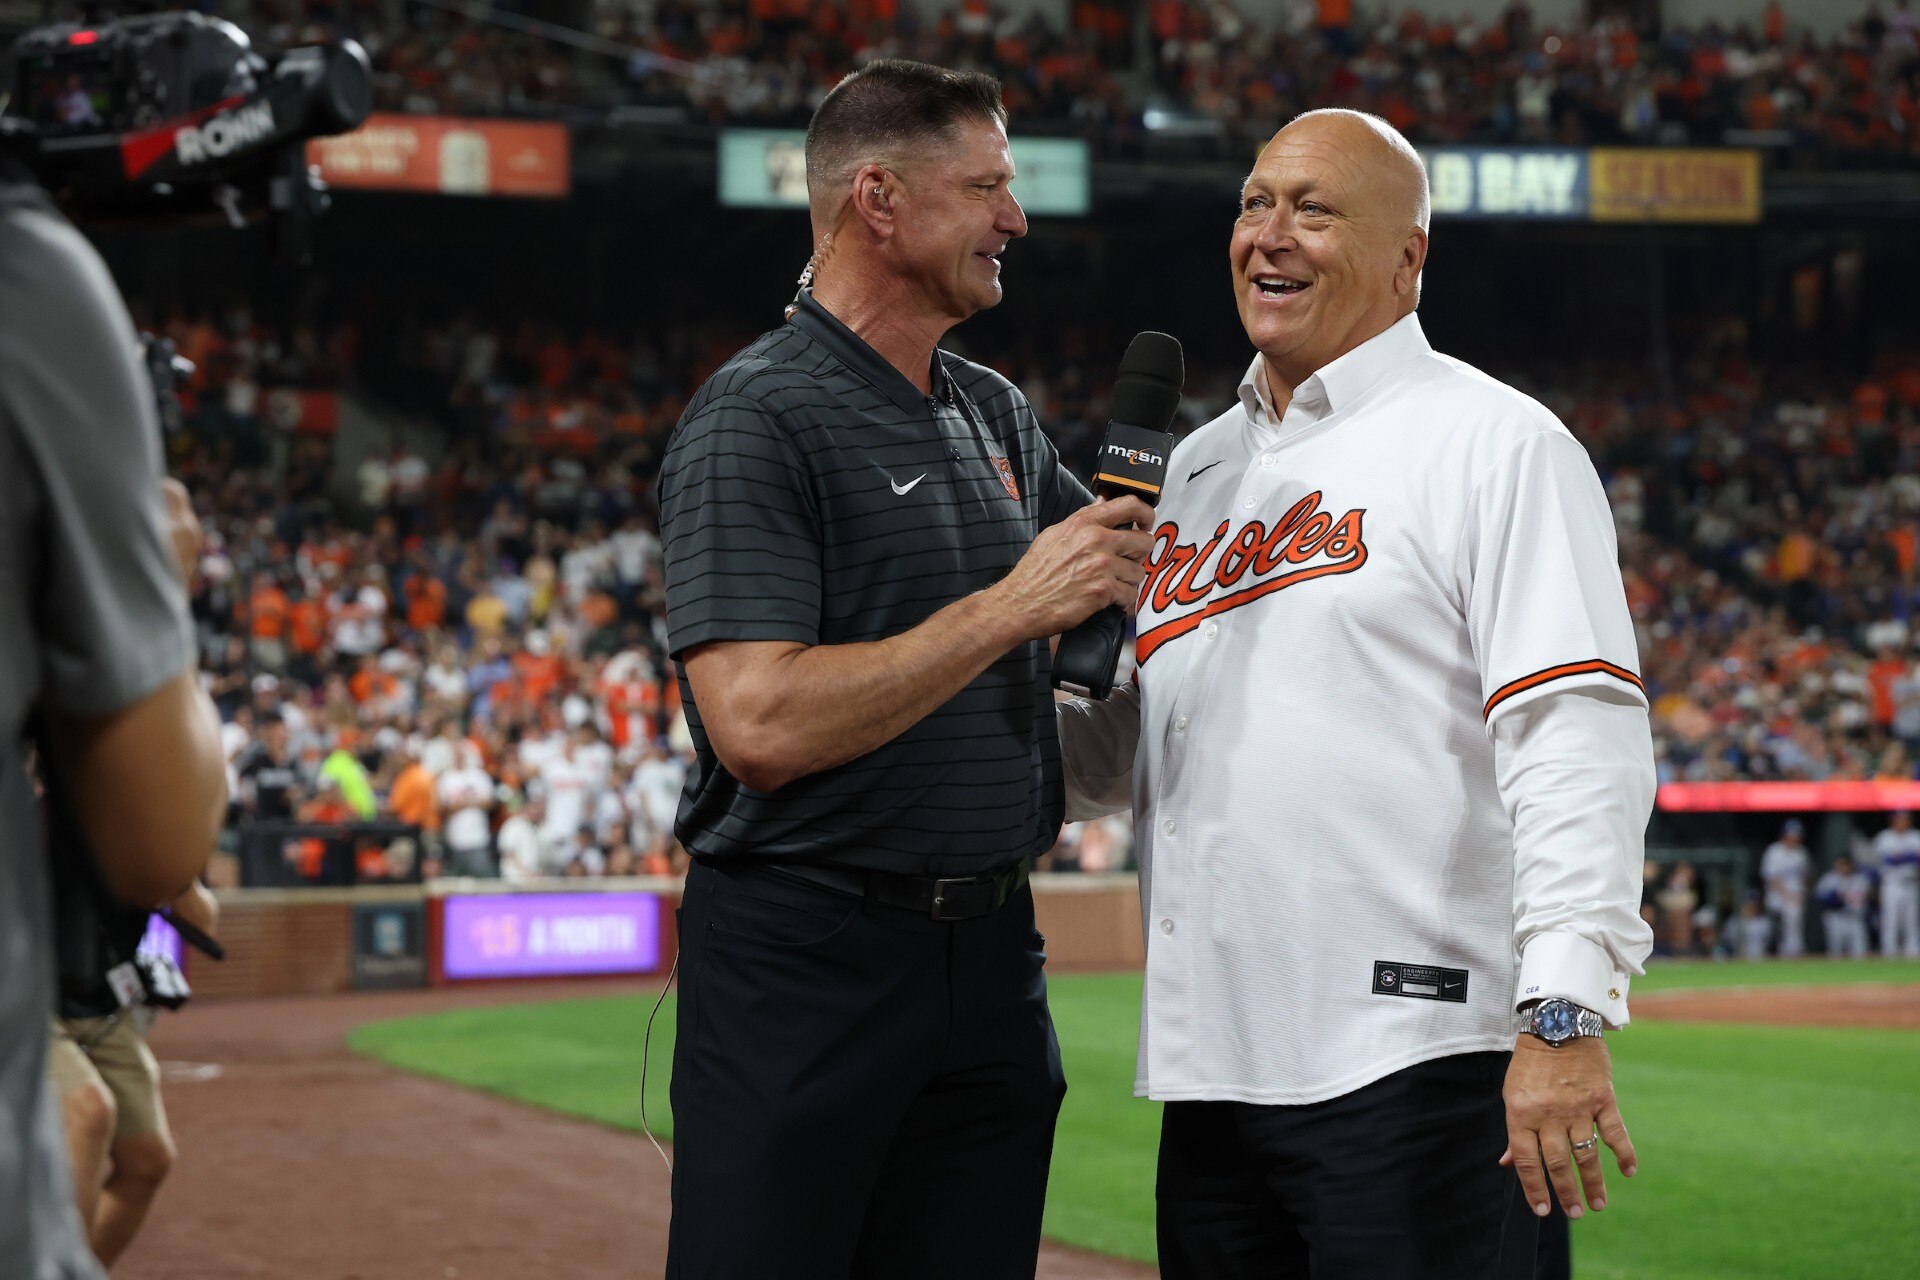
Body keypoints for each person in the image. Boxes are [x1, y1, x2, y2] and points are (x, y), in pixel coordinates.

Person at [1057, 108, 1652, 1277]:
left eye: (1313, 209)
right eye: (1252, 202)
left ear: (1407, 258)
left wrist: (1564, 1013)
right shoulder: (1195, 468)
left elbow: (1573, 738)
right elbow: (1133, 749)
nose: (1268, 233)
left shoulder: (1495, 443)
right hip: (1216, 1070)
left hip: (1422, 1063)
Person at [658, 59, 1151, 1278]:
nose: (1016, 219)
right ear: (878, 198)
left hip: (989, 957)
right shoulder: (755, 416)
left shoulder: (990, 408)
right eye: (987, 186)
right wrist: (1008, 609)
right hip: (808, 958)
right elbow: (757, 723)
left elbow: (1137, 582)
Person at [2, 159, 227, 1276]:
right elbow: (162, 847)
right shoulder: (27, 278)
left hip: (89, 990)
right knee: (81, 1129)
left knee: (139, 1147)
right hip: (41, 990)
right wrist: (160, 596)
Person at [50, 878, 218, 1266]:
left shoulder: (141, 819)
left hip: (102, 1000)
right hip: (22, 994)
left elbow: (203, 920)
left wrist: (168, 866)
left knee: (147, 1160)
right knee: (88, 1110)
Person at [1870, 809, 1920, 956]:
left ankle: (1912, 953)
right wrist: (1909, 857)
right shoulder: (1884, 838)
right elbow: (1883, 862)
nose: (1902, 821)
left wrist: (1902, 858)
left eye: (1905, 819)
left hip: (1911, 883)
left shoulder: (1916, 837)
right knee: (1890, 920)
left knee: (1911, 921)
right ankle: (1889, 953)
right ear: (1893, 820)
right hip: (1891, 884)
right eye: (1899, 818)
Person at [1761, 819, 1812, 957]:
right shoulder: (1774, 851)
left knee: (1795, 924)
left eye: (1797, 834)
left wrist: (1802, 893)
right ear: (1784, 834)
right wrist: (1787, 895)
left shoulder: (1801, 853)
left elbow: (1806, 876)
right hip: (1778, 897)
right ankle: (1778, 953)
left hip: (1796, 895)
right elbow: (1771, 878)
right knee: (1776, 929)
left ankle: (1793, 953)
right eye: (1793, 834)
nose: (1796, 838)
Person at [1815, 853, 1871, 958]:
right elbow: (1819, 897)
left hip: (1856, 919)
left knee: (1860, 953)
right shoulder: (1829, 879)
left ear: (1851, 865)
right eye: (1840, 864)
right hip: (1836, 918)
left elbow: (1867, 898)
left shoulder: (1860, 879)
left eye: (1846, 864)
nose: (1843, 867)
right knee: (1836, 953)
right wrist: (1833, 898)